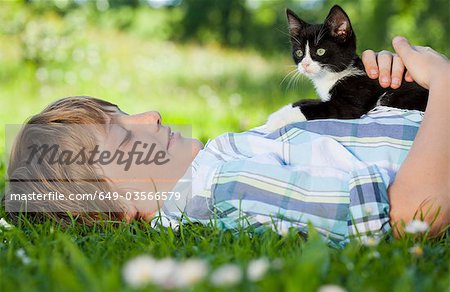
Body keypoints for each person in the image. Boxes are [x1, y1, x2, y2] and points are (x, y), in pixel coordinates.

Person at [5, 37, 449, 246]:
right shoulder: (223, 189)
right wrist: (445, 84)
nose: (151, 116)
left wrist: (382, 85)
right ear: (124, 206)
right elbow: (410, 214)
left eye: (125, 112)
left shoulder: (225, 162)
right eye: (123, 132)